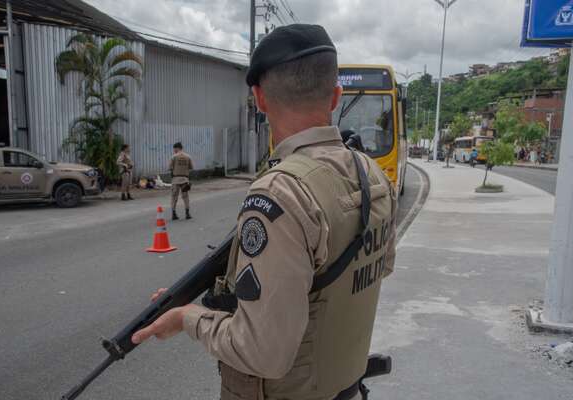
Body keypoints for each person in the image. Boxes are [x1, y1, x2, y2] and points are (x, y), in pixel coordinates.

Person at [132, 24, 397, 400]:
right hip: (346, 387)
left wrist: (186, 318)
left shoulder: (280, 193)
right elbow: (374, 269)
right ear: (336, 96)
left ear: (259, 99)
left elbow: (264, 354)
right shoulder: (371, 173)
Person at [169, 142, 193, 220]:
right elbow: (191, 168)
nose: (174, 150)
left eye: (174, 149)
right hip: (185, 179)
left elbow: (170, 168)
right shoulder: (188, 157)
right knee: (185, 197)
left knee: (174, 197)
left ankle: (173, 213)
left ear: (177, 148)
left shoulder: (173, 157)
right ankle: (187, 213)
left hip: (175, 179)